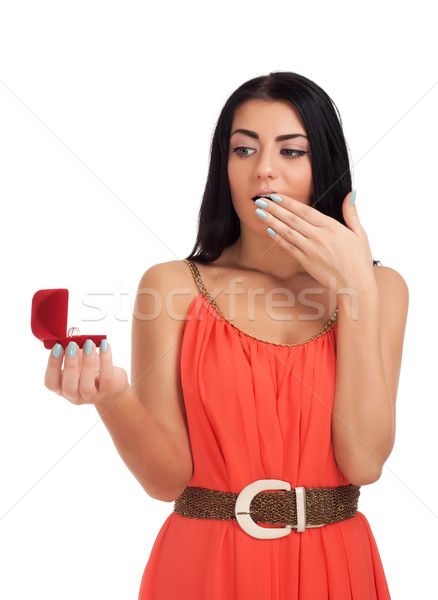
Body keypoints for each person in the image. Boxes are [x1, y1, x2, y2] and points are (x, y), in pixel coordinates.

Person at [44, 71, 409, 599]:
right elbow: (166, 481)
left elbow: (364, 461)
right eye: (244, 150)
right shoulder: (171, 287)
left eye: (291, 152)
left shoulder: (383, 288)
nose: (264, 170)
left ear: (323, 165)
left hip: (336, 567)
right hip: (203, 569)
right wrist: (113, 397)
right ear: (224, 167)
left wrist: (354, 291)